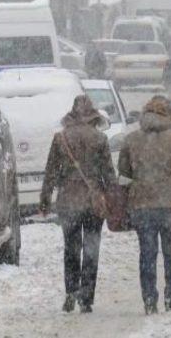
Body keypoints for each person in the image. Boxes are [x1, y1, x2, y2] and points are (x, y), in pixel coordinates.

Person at [40, 95, 116, 314]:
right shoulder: (100, 139)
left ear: (72, 113)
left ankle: (71, 292)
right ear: (92, 113)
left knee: (71, 249)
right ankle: (87, 297)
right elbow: (108, 174)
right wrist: (112, 198)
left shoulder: (61, 138)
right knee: (91, 249)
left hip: (69, 200)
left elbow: (51, 172)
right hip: (93, 200)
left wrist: (45, 199)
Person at [118, 97, 171, 315]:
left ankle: (149, 299)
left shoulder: (131, 139)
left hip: (142, 202)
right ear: (168, 116)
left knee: (147, 253)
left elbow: (123, 170)